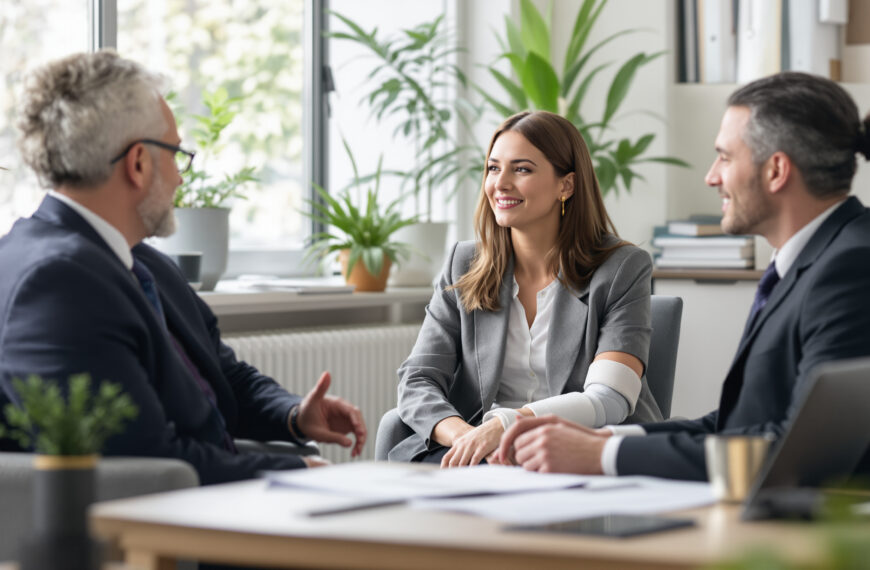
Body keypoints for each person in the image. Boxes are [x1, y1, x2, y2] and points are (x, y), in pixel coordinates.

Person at [0, 51, 366, 485]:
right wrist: (300, 473)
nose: (180, 177)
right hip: (162, 517)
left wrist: (292, 414)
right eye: (175, 154)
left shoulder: (141, 262)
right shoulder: (57, 284)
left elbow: (223, 376)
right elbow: (144, 463)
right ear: (138, 163)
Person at [498, 72, 870, 480]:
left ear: (776, 170)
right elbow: (738, 426)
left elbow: (807, 451)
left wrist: (602, 455)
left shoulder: (850, 269)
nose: (711, 177)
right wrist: (603, 439)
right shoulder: (813, 260)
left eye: (725, 157)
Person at [391, 110, 663, 467]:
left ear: (566, 185)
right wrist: (467, 438)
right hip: (483, 456)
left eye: (521, 169)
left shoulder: (621, 268)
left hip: (580, 450)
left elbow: (609, 398)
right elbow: (418, 379)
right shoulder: (463, 263)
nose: (500, 183)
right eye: (493, 168)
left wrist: (506, 425)